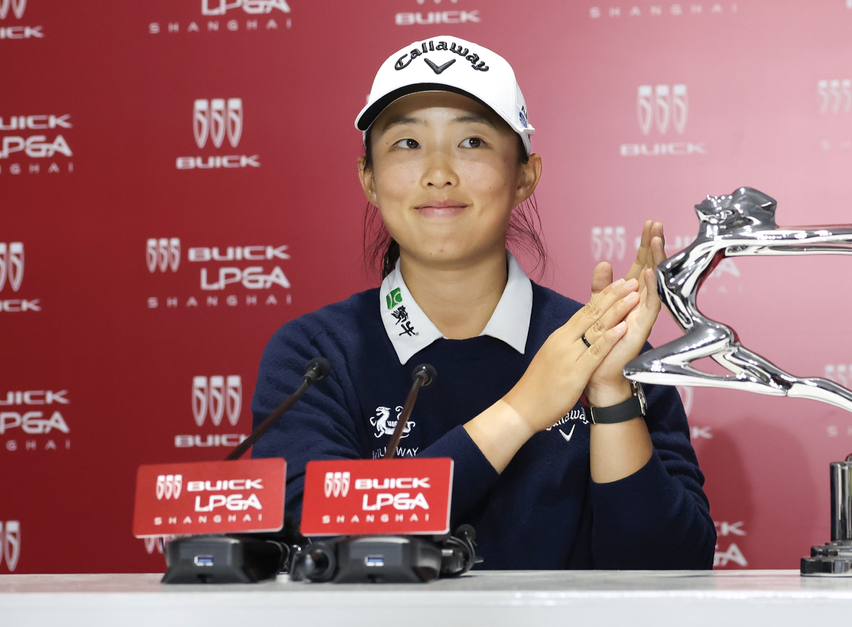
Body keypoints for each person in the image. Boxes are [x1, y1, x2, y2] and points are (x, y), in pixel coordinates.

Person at [250, 35, 715, 569]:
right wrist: (521, 411)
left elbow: (671, 567)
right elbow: (314, 531)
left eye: (471, 142)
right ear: (369, 181)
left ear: (525, 176)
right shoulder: (315, 356)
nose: (438, 171)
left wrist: (610, 394)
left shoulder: (600, 342)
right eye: (407, 144)